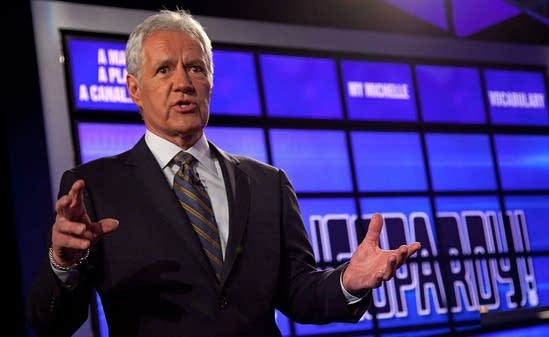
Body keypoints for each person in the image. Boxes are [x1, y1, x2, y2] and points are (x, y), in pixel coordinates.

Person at [26, 8, 421, 337]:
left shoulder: (268, 183)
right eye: (164, 70)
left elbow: (298, 292)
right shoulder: (95, 187)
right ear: (133, 89)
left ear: (211, 82)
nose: (183, 83)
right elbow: (51, 324)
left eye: (195, 68)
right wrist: (62, 263)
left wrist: (347, 282)